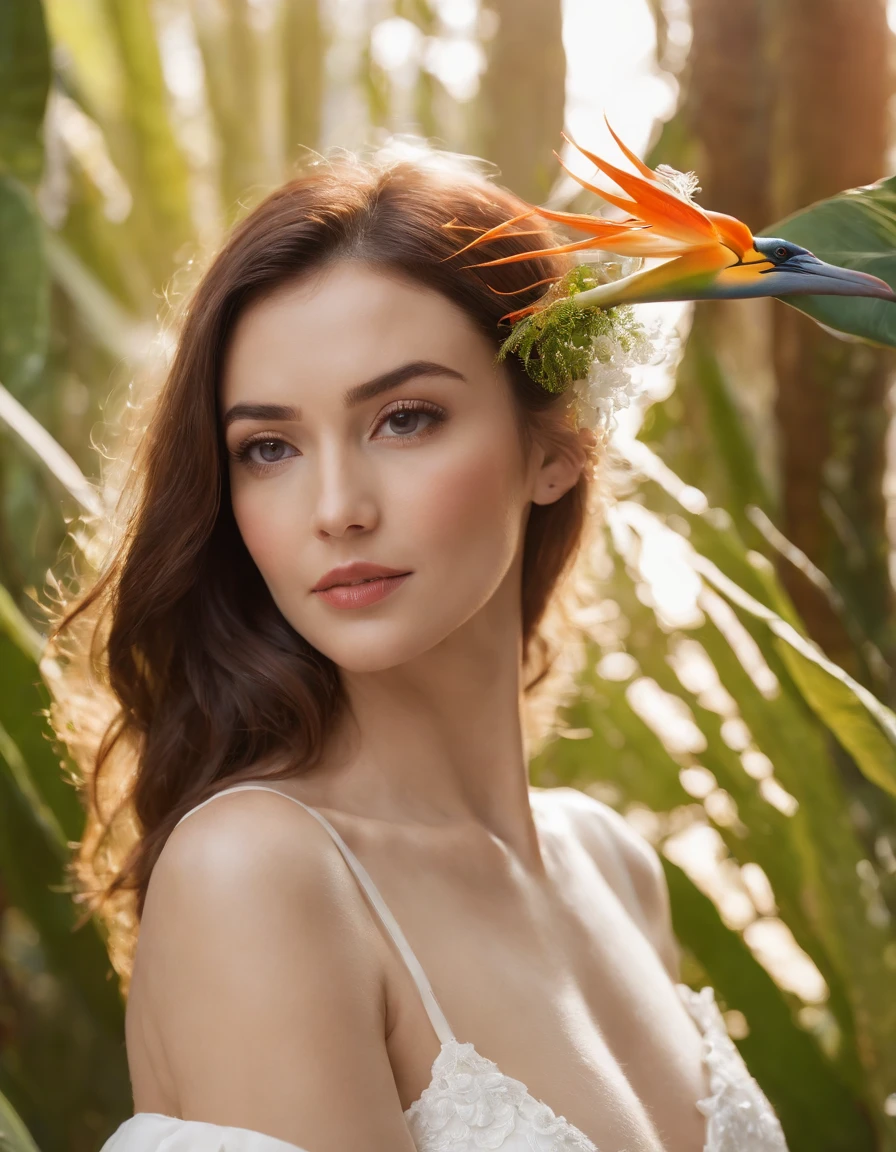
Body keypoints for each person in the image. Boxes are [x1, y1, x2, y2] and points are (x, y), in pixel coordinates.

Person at [45, 141, 789, 1152]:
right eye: (269, 447)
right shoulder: (259, 876)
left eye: (404, 419)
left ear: (556, 442)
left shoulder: (612, 868)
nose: (337, 510)